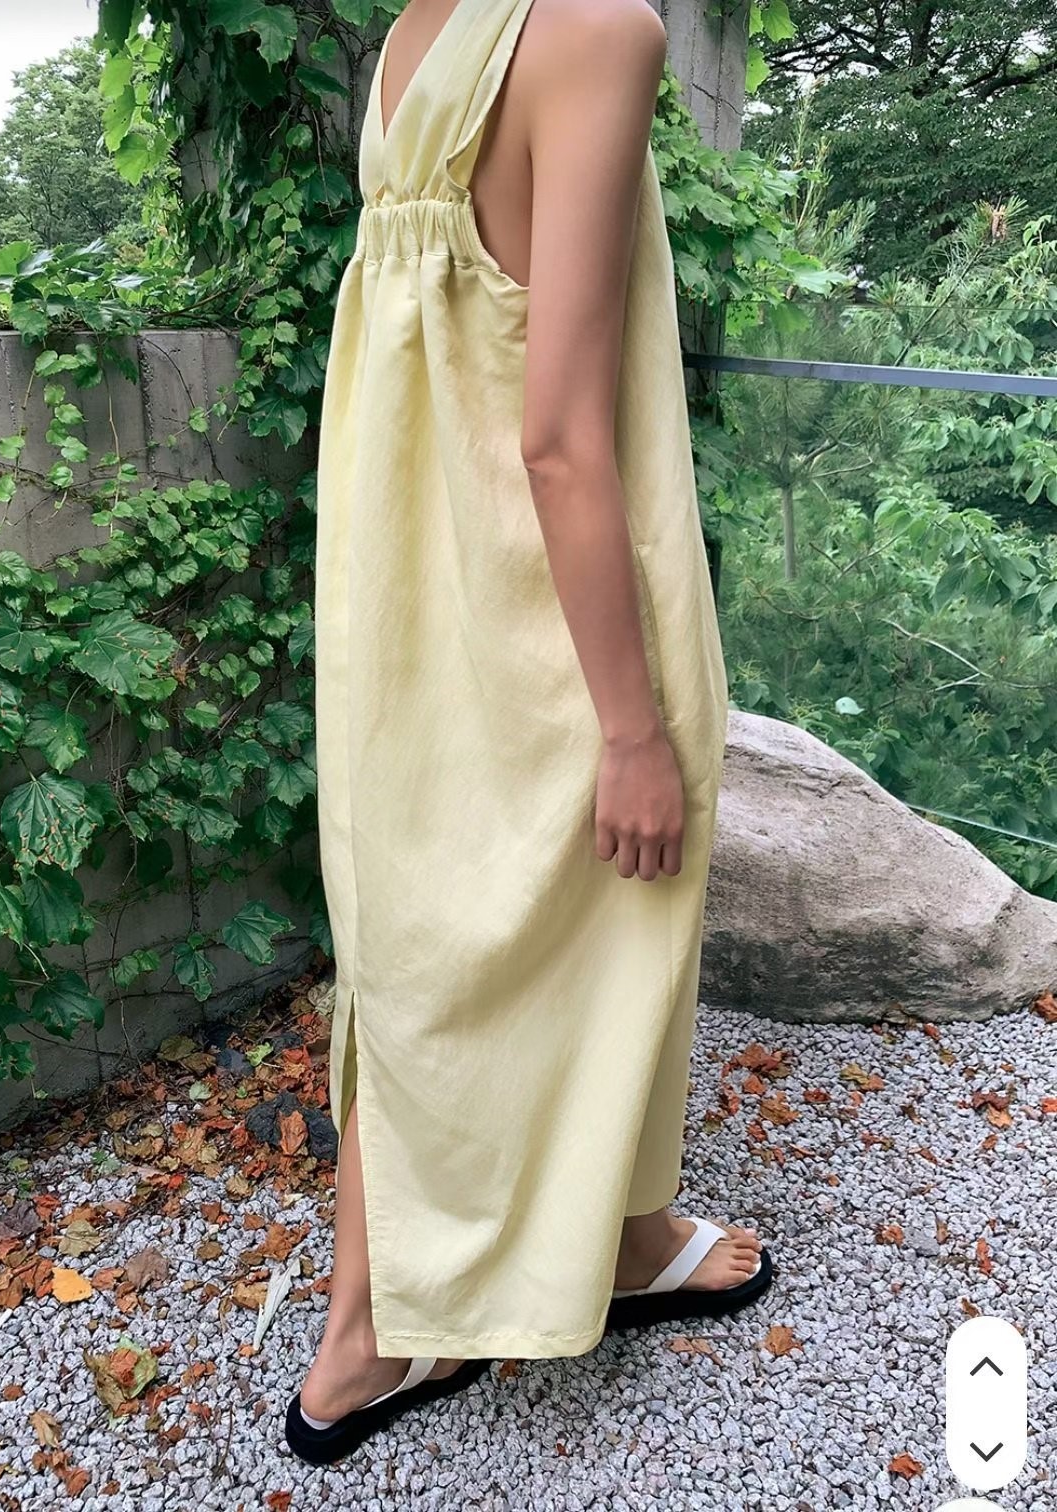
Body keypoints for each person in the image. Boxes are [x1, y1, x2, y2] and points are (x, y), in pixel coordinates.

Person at [284, 0, 773, 1468]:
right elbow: (559, 437)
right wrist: (631, 727)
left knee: (425, 939)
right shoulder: (599, 30)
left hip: (410, 603)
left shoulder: (412, 38)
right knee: (616, 907)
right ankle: (374, 1326)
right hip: (554, 611)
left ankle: (615, 1239)